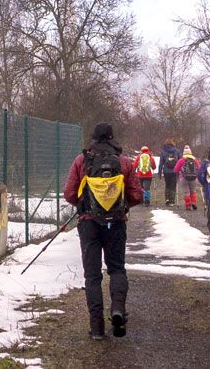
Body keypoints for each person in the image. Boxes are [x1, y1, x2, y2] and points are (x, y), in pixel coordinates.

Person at [64, 123, 142, 340]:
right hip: (116, 223)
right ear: (112, 138)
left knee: (92, 276)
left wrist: (83, 204)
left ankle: (96, 327)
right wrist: (122, 205)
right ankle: (118, 310)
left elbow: (69, 193)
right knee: (117, 269)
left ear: (93, 138)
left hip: (89, 223)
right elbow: (136, 194)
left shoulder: (82, 161)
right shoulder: (124, 162)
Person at [174, 145, 202, 210]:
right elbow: (199, 168)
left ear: (183, 153)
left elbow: (176, 169)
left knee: (186, 192)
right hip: (194, 178)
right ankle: (193, 203)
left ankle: (188, 206)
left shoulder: (181, 160)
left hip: (184, 178)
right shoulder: (194, 159)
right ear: (190, 152)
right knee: (193, 191)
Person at [159, 140, 181, 206]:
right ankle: (172, 201)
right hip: (174, 171)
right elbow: (180, 161)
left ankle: (167, 199)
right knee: (173, 186)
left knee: (167, 185)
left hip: (166, 171)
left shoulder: (163, 151)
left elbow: (161, 163)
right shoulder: (177, 151)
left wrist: (160, 173)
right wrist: (180, 171)